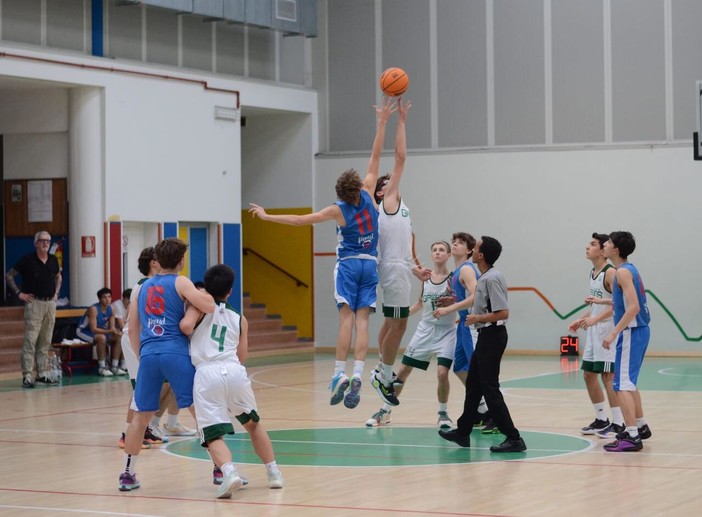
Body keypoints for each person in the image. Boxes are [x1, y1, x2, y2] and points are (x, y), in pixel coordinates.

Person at [249, 97, 397, 410]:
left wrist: (266, 216)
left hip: (346, 265)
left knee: (345, 320)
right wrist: (383, 121)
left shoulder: (336, 210)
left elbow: (300, 220)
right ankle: (358, 373)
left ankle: (338, 374)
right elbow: (375, 154)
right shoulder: (371, 194)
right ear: (358, 185)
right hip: (370, 266)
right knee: (363, 322)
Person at [118, 237, 215, 492]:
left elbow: (133, 328)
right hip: (176, 352)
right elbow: (209, 305)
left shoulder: (142, 286)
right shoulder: (181, 282)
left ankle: (127, 474)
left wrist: (142, 355)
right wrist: (199, 297)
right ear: (181, 261)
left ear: (157, 260)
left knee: (140, 418)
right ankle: (220, 468)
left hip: (149, 354)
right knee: (199, 412)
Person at [181, 264, 284, 499]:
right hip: (235, 370)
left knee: (211, 433)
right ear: (230, 291)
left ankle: (229, 472)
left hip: (207, 373)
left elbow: (185, 327)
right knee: (253, 424)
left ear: (206, 287)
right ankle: (274, 473)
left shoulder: (199, 307)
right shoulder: (240, 318)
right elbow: (243, 355)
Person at [369, 98, 433, 408]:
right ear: (382, 191)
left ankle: (380, 369)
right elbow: (400, 156)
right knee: (400, 323)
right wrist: (401, 122)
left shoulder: (401, 209)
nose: (392, 182)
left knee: (391, 323)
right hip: (390, 269)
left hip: (398, 268)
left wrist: (415, 269)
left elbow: (404, 250)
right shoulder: (388, 202)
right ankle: (383, 373)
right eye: (387, 182)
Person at [438, 236, 527, 453]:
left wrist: (477, 319)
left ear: (481, 255)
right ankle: (463, 432)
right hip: (486, 335)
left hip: (493, 335)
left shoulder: (492, 278)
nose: (472, 250)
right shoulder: (485, 277)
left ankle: (514, 437)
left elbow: (503, 312)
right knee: (474, 386)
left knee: (489, 388)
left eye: (475, 248)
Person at [366, 241, 455, 428]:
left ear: (448, 255)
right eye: (434, 250)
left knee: (442, 373)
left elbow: (461, 301)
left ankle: (443, 413)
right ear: (431, 255)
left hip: (446, 332)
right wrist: (401, 314)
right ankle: (385, 410)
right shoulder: (426, 278)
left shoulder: (453, 278)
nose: (438, 253)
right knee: (403, 371)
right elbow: (420, 303)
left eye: (442, 250)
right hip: (425, 330)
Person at [601, 231, 652, 452]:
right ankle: (640, 426)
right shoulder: (629, 270)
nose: (605, 244)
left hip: (632, 331)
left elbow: (634, 307)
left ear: (617, 249)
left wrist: (613, 333)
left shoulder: (621, 272)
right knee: (628, 383)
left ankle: (631, 436)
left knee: (620, 384)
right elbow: (625, 300)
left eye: (609, 242)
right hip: (639, 331)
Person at [567, 233, 622, 437]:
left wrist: (595, 320)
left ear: (603, 250)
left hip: (608, 330)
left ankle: (619, 422)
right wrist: (582, 318)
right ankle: (601, 419)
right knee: (589, 374)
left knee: (608, 376)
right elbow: (598, 306)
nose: (587, 247)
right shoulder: (593, 272)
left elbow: (618, 306)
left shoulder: (611, 273)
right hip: (594, 330)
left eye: (592, 244)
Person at [6, 231, 62, 388]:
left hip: (50, 303)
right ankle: (27, 375)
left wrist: (56, 293)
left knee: (46, 340)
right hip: (34, 303)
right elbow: (9, 276)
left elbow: (59, 277)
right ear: (36, 243)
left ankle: (42, 373)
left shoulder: (53, 260)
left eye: (48, 241)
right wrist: (19, 293)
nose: (45, 243)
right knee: (30, 340)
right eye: (42, 240)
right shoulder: (27, 260)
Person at [76, 287, 127, 376]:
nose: (107, 299)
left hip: (102, 331)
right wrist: (110, 331)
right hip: (84, 331)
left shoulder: (112, 308)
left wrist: (115, 331)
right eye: (104, 297)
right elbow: (93, 329)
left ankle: (115, 366)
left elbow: (111, 327)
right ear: (99, 299)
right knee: (101, 338)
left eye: (109, 297)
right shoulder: (94, 309)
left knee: (121, 336)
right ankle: (102, 367)